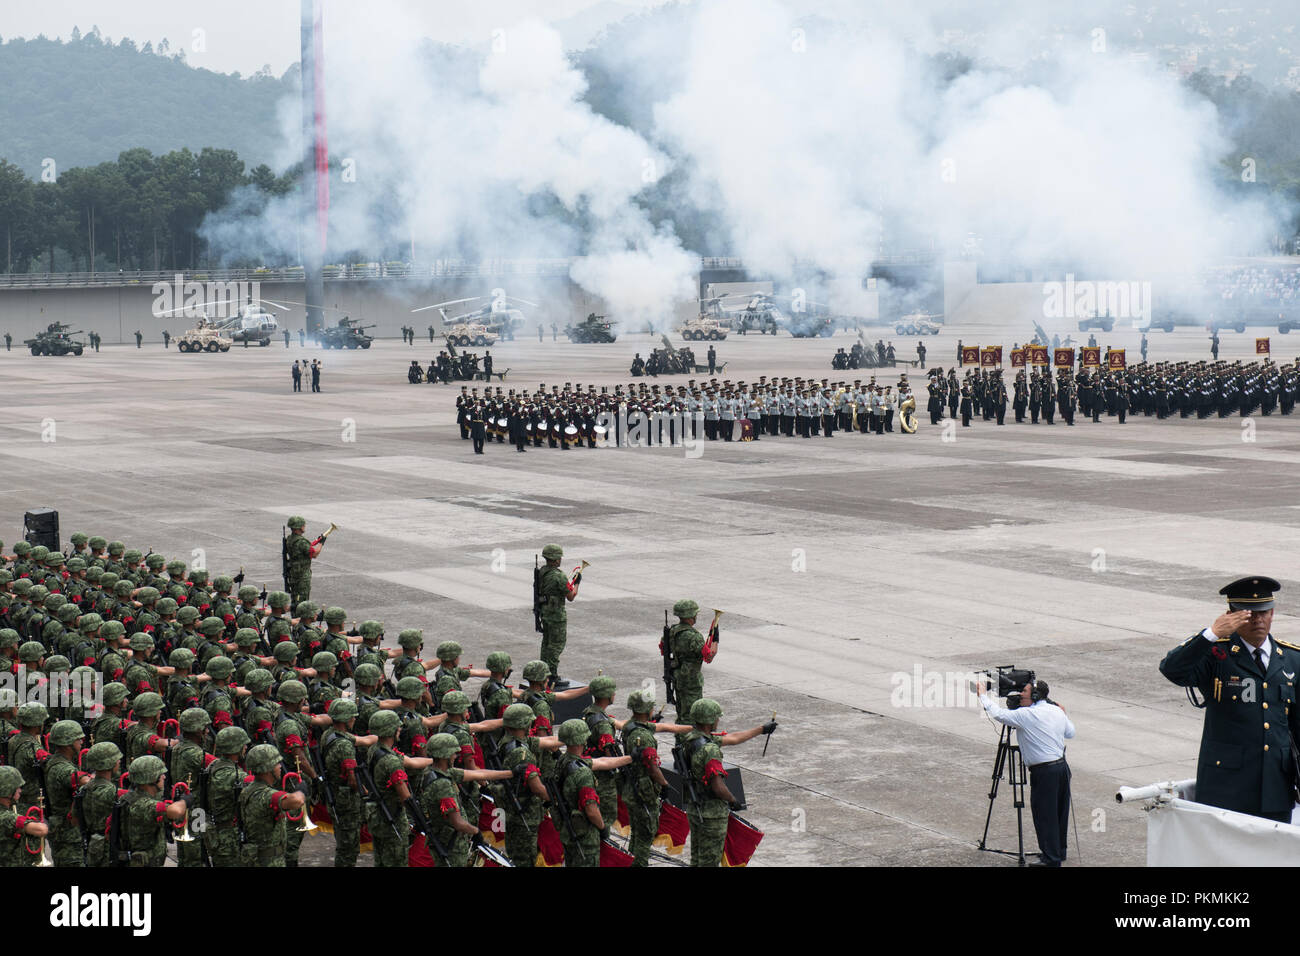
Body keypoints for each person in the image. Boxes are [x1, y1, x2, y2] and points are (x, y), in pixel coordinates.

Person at [1159, 576, 1300, 822]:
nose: (1258, 620)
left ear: (1272, 613)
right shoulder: (1215, 653)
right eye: (1249, 614)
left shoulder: (1292, 658)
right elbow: (1172, 670)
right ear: (1231, 615)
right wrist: (1211, 634)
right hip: (1226, 786)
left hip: (1275, 787)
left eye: (1264, 612)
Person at [977, 676, 1075, 866]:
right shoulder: (1055, 710)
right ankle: (1059, 851)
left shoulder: (1026, 715)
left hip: (1044, 773)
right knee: (1059, 812)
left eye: (1024, 692)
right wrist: (1063, 714)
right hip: (1062, 768)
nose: (1021, 695)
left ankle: (1051, 859)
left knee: (1045, 815)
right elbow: (1071, 733)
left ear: (1036, 696)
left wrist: (982, 695)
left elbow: (998, 714)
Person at [537, 543, 578, 680]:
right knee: (556, 645)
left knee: (546, 643)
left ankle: (543, 672)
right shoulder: (559, 576)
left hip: (545, 612)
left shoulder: (542, 571)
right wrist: (576, 583)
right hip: (556, 615)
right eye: (559, 558)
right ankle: (552, 675)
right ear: (555, 559)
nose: (560, 560)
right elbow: (571, 596)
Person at [284, 515, 323, 606]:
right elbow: (314, 554)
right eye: (303, 525)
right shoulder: (301, 542)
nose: (304, 526)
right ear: (299, 527)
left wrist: (316, 541)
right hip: (302, 576)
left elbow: (305, 548)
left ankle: (295, 613)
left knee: (296, 599)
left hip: (294, 574)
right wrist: (321, 543)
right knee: (302, 601)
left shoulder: (290, 538)